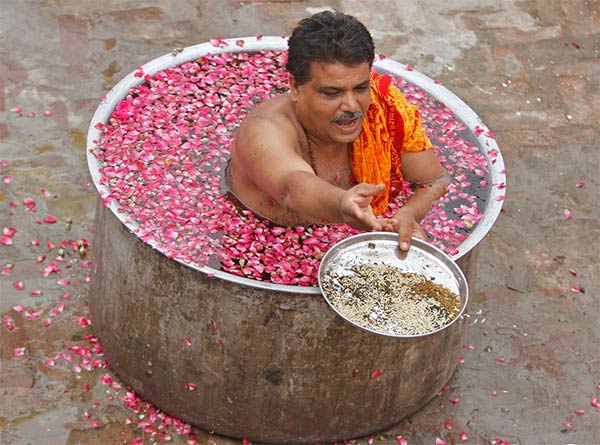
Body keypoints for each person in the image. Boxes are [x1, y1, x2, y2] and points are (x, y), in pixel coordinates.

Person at [227, 10, 451, 251]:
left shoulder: (384, 111)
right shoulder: (264, 130)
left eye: (361, 88)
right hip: (267, 249)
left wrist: (409, 213)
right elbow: (291, 189)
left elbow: (435, 179)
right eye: (332, 93)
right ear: (295, 86)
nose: (352, 106)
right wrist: (343, 203)